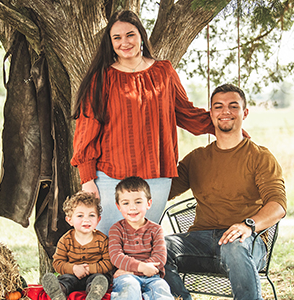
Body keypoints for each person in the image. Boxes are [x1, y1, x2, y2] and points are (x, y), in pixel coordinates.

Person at [70, 9, 215, 235]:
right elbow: (86, 129)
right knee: (109, 242)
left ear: (141, 36)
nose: (124, 42)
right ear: (110, 43)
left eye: (130, 35)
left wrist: (222, 125)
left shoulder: (164, 71)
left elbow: (185, 113)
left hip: (156, 175)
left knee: (143, 242)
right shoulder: (102, 78)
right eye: (116, 38)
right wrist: (88, 179)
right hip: (110, 177)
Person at [164, 83, 287, 300]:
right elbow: (163, 190)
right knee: (160, 247)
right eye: (218, 106)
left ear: (244, 112)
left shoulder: (260, 157)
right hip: (200, 242)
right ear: (210, 114)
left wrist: (248, 225)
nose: (225, 112)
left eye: (233, 106)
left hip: (246, 242)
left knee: (234, 245)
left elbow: (278, 205)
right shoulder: (197, 158)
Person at [108, 176, 174, 300]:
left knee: (161, 288)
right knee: (129, 287)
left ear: (148, 203)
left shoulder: (156, 229)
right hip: (125, 276)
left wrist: (136, 270)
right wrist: (141, 268)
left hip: (151, 276)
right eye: (126, 203)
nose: (132, 207)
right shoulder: (116, 229)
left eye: (138, 202)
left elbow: (159, 258)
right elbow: (116, 256)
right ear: (118, 206)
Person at [42, 191, 113, 300]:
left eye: (91, 215)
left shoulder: (102, 240)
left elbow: (108, 262)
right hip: (73, 275)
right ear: (69, 220)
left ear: (98, 219)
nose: (86, 219)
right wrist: (73, 268)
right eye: (80, 215)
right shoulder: (65, 240)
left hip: (95, 275)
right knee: (66, 280)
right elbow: (57, 263)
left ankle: (94, 294)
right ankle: (58, 292)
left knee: (100, 279)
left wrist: (90, 269)